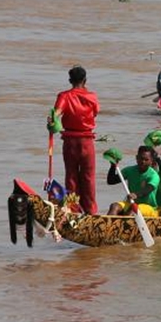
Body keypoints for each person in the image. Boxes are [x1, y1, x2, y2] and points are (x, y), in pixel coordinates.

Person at [49, 66, 100, 214]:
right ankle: (90, 211)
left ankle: (73, 210)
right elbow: (95, 112)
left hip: (70, 141)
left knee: (71, 176)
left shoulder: (64, 96)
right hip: (86, 140)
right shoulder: (92, 96)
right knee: (88, 177)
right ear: (85, 80)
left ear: (70, 81)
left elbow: (56, 113)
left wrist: (52, 121)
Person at [106, 146, 160, 217]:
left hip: (149, 207)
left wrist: (136, 194)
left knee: (133, 210)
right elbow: (111, 181)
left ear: (151, 161)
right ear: (137, 158)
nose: (143, 162)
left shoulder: (154, 175)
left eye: (146, 160)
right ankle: (108, 226)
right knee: (114, 206)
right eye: (141, 158)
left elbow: (148, 189)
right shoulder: (129, 170)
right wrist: (113, 165)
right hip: (131, 203)